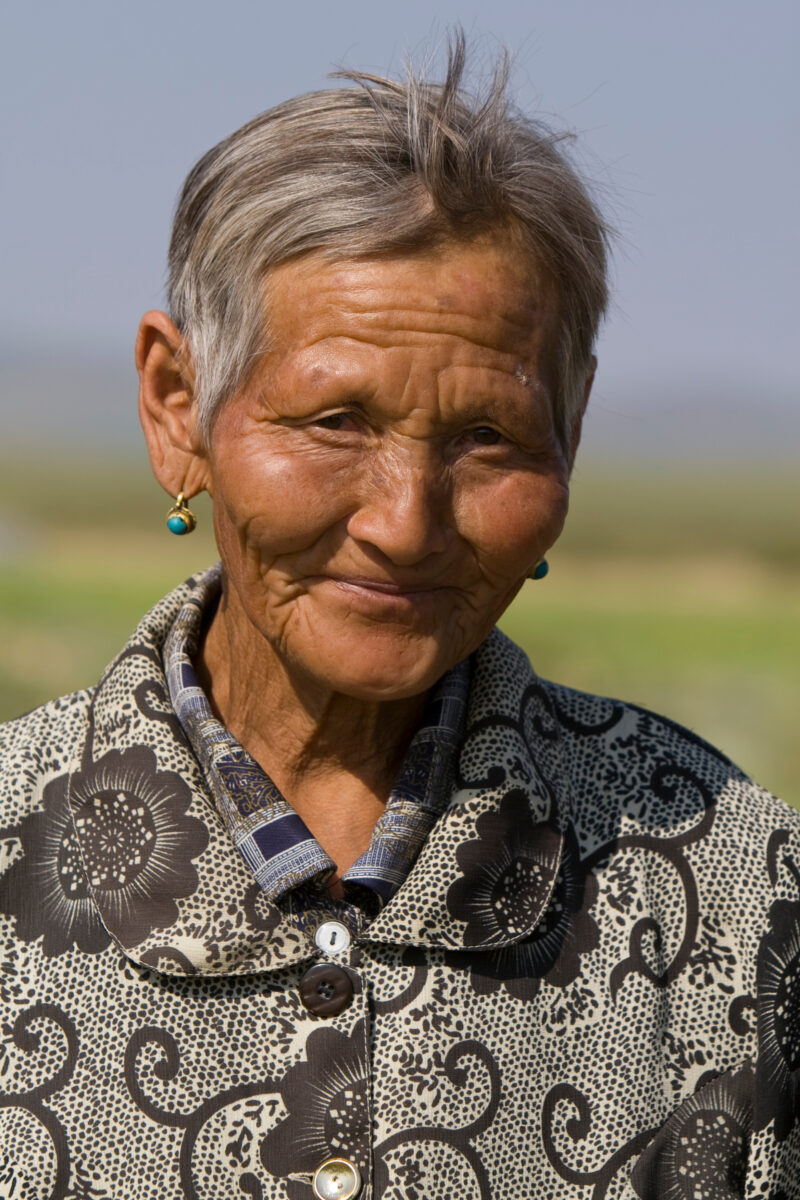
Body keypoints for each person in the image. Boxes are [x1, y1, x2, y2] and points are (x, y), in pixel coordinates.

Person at [1, 37, 798, 1200]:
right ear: (179, 409)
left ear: (568, 431)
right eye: (332, 421)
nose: (406, 524)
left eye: (487, 437)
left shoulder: (737, 890)